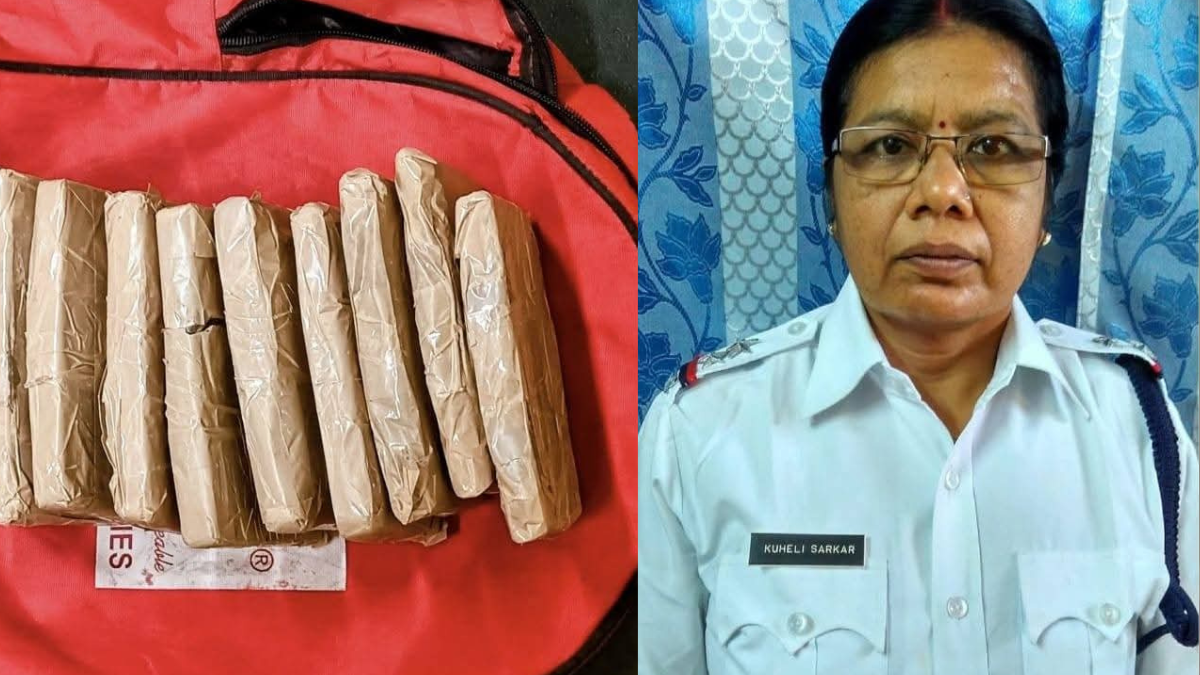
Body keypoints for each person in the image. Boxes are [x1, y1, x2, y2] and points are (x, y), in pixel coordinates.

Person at [636, 0, 1200, 673]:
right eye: (890, 146)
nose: (942, 192)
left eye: (993, 148)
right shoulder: (700, 435)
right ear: (832, 196)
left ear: (1047, 199)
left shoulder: (1137, 430)